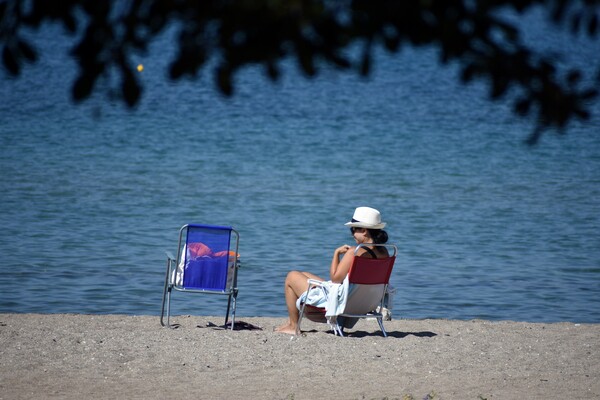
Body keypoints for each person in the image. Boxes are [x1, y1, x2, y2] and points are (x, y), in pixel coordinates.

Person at [274, 206, 389, 335]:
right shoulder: (384, 252)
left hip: (344, 302)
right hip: (365, 302)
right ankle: (293, 324)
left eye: (353, 229)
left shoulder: (354, 252)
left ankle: (293, 325)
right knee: (304, 275)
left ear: (364, 231)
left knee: (292, 276)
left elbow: (335, 279)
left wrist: (336, 254)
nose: (351, 234)